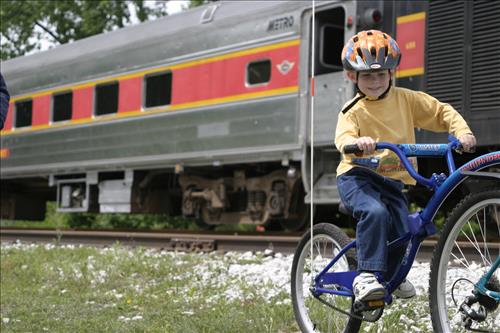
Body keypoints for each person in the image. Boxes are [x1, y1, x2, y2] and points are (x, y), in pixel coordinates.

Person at [335, 30, 476, 302]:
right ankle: (365, 275)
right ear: (353, 77)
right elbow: (343, 138)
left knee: (403, 231)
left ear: (391, 74)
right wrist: (357, 142)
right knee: (374, 212)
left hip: (393, 180)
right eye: (366, 76)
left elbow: (440, 112)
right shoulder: (352, 110)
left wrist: (462, 131)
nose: (374, 81)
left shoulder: (406, 100)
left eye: (381, 74)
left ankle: (390, 277)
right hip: (357, 177)